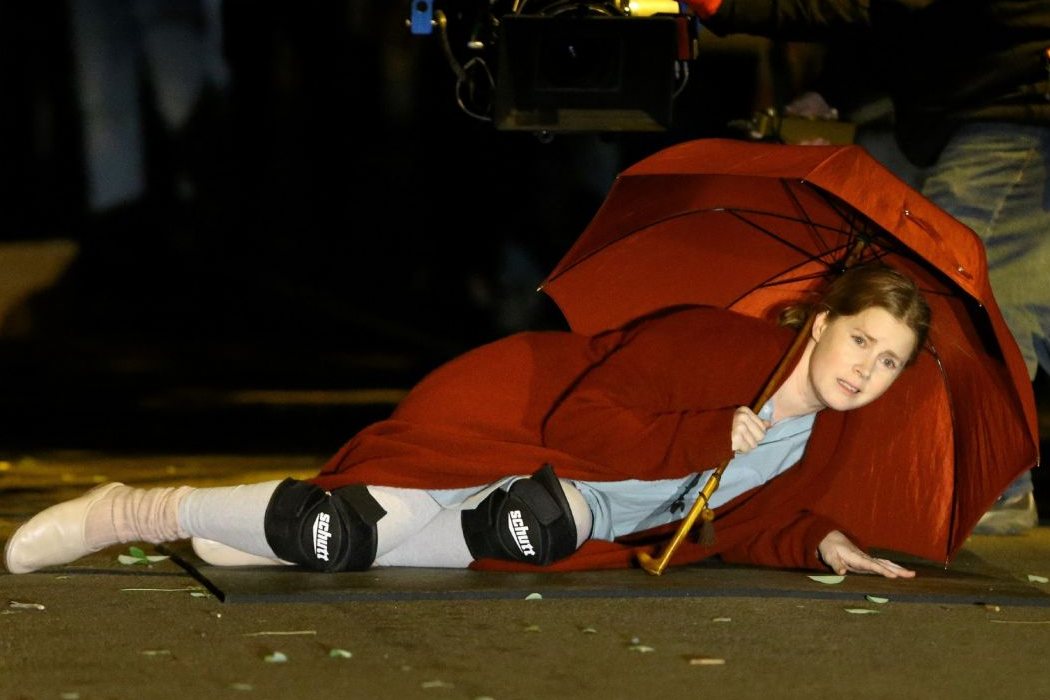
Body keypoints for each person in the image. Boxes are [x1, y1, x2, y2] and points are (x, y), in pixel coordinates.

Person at [5, 265, 929, 579]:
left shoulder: (816, 436)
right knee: (343, 527)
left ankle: (279, 538)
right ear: (820, 324)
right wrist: (704, 434)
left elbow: (748, 524)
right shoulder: (715, 348)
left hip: (562, 512)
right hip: (515, 427)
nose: (865, 371)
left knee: (518, 527)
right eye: (860, 340)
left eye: (888, 362)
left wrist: (826, 543)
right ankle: (134, 510)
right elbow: (586, 417)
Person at [686, 0, 1048, 533]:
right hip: (964, 102)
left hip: (1011, 107)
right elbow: (903, 21)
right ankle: (979, 483)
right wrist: (836, 91)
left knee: (961, 292)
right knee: (951, 278)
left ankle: (990, 488)